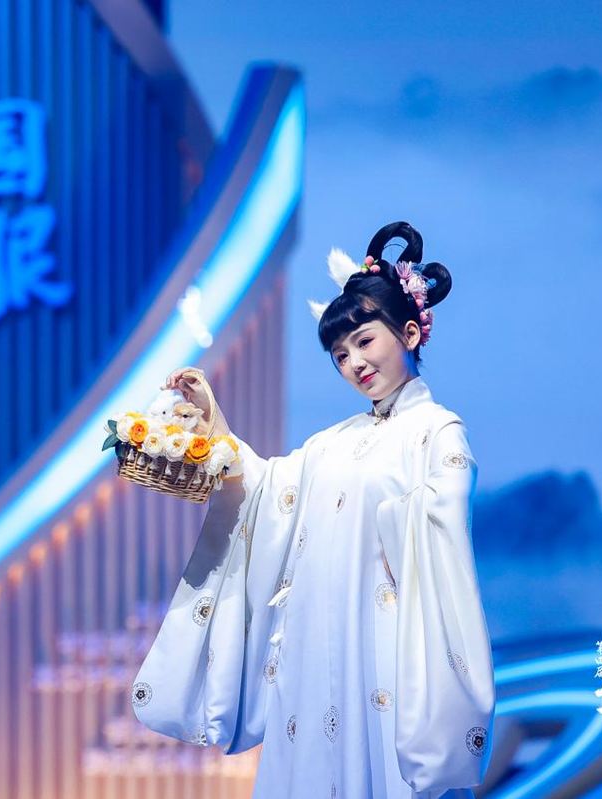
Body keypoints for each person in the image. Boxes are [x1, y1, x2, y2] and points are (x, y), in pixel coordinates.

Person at [131, 222, 496, 798]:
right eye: (341, 354)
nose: (355, 362)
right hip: (310, 650)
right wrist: (211, 423)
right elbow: (265, 493)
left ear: (408, 333)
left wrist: (381, 525)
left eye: (365, 342)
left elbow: (441, 535)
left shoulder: (437, 431)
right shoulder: (330, 443)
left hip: (380, 650)